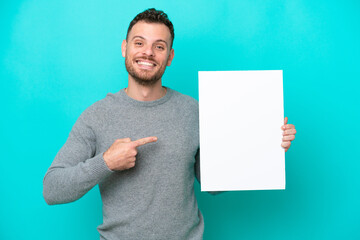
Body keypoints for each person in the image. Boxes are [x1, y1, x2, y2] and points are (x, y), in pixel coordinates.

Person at [43, 8, 297, 240]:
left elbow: (213, 183)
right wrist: (106, 162)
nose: (148, 53)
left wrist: (266, 149)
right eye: (139, 43)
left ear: (170, 56)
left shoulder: (193, 110)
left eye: (159, 46)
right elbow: (52, 189)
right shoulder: (96, 115)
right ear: (125, 48)